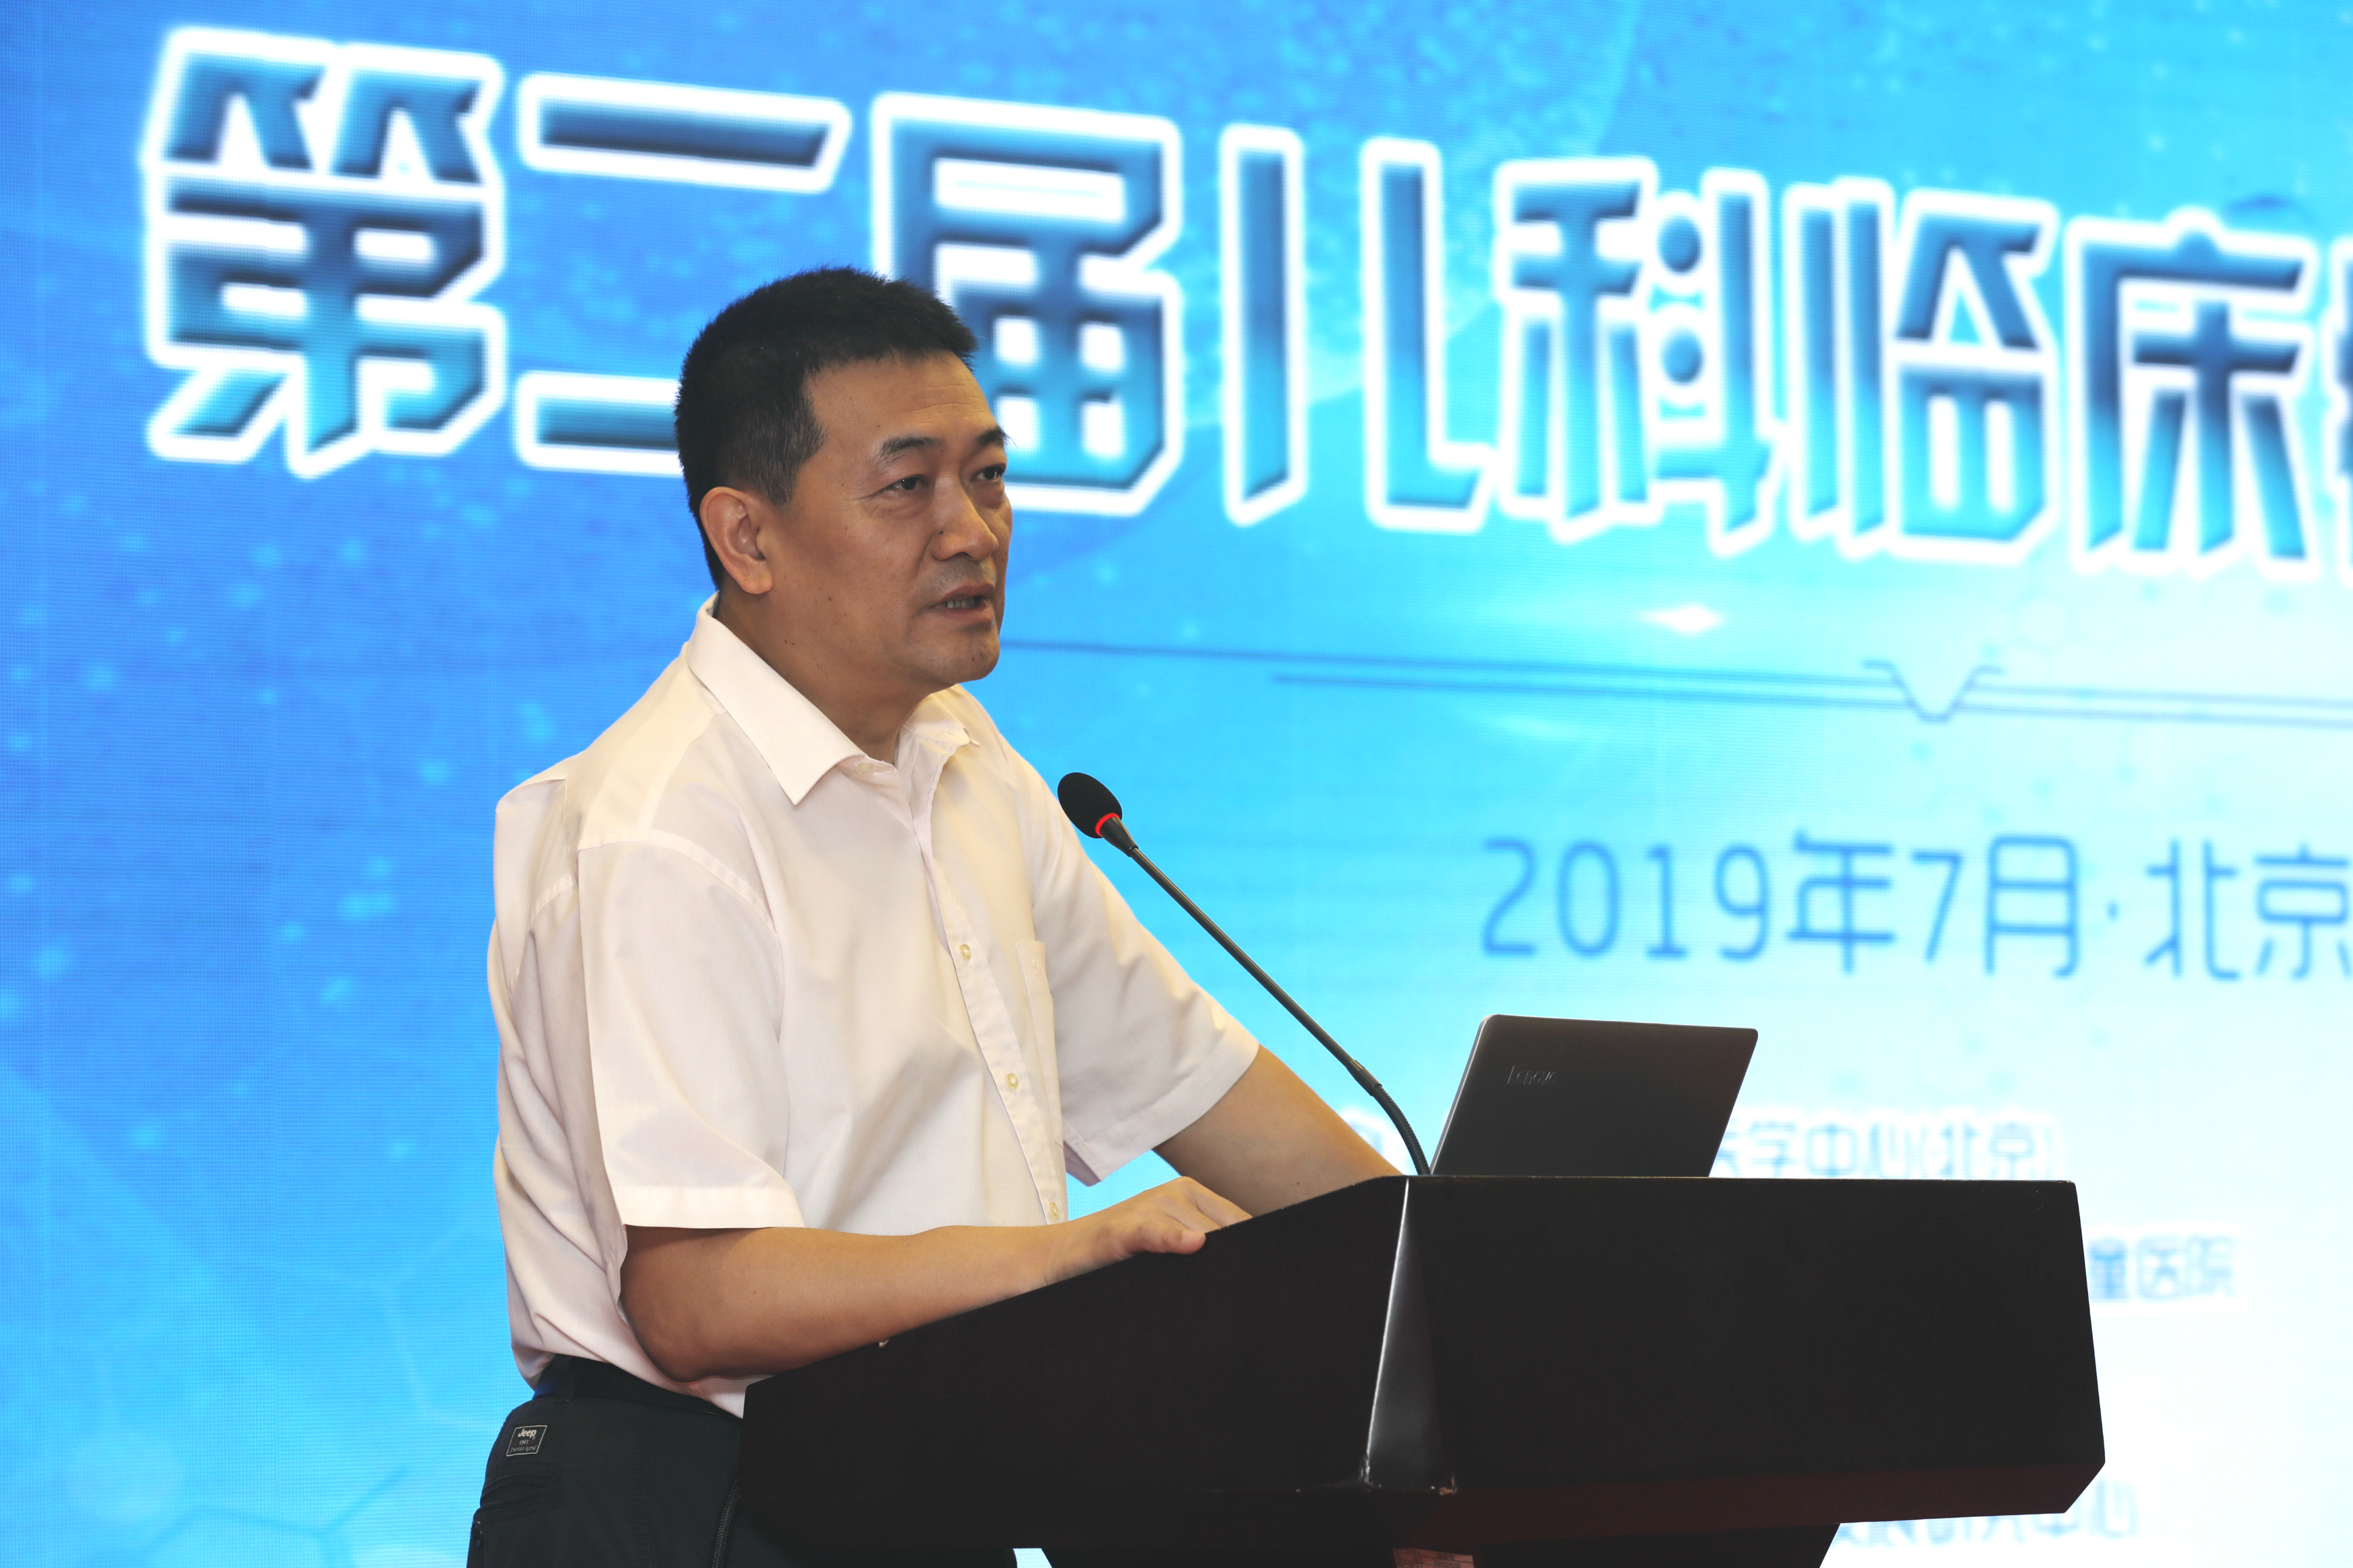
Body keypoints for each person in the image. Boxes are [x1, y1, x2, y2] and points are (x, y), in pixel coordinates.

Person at [470, 267, 1396, 1567]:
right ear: (747, 537)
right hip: (689, 1508)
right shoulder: (658, 826)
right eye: (907, 486)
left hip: (921, 1480)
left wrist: (1449, 1292)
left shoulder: (965, 761)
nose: (972, 530)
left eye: (990, 476)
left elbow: (1203, 1090)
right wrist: (1064, 1259)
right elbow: (694, 1296)